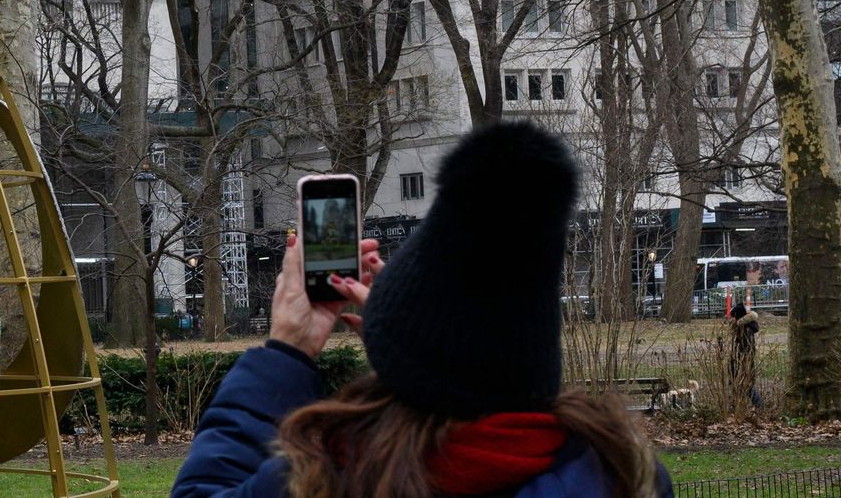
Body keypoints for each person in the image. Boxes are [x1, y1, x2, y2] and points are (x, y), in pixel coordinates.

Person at [172, 122, 673, 497]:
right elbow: (488, 364)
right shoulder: (622, 474)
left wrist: (287, 348)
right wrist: (413, 335)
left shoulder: (331, 473)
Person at [729, 303, 761, 409]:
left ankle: (759, 406)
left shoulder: (745, 330)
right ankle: (737, 406)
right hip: (741, 361)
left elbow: (746, 348)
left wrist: (739, 361)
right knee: (741, 386)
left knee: (746, 386)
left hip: (743, 362)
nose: (731, 320)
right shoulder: (744, 328)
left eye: (733, 318)